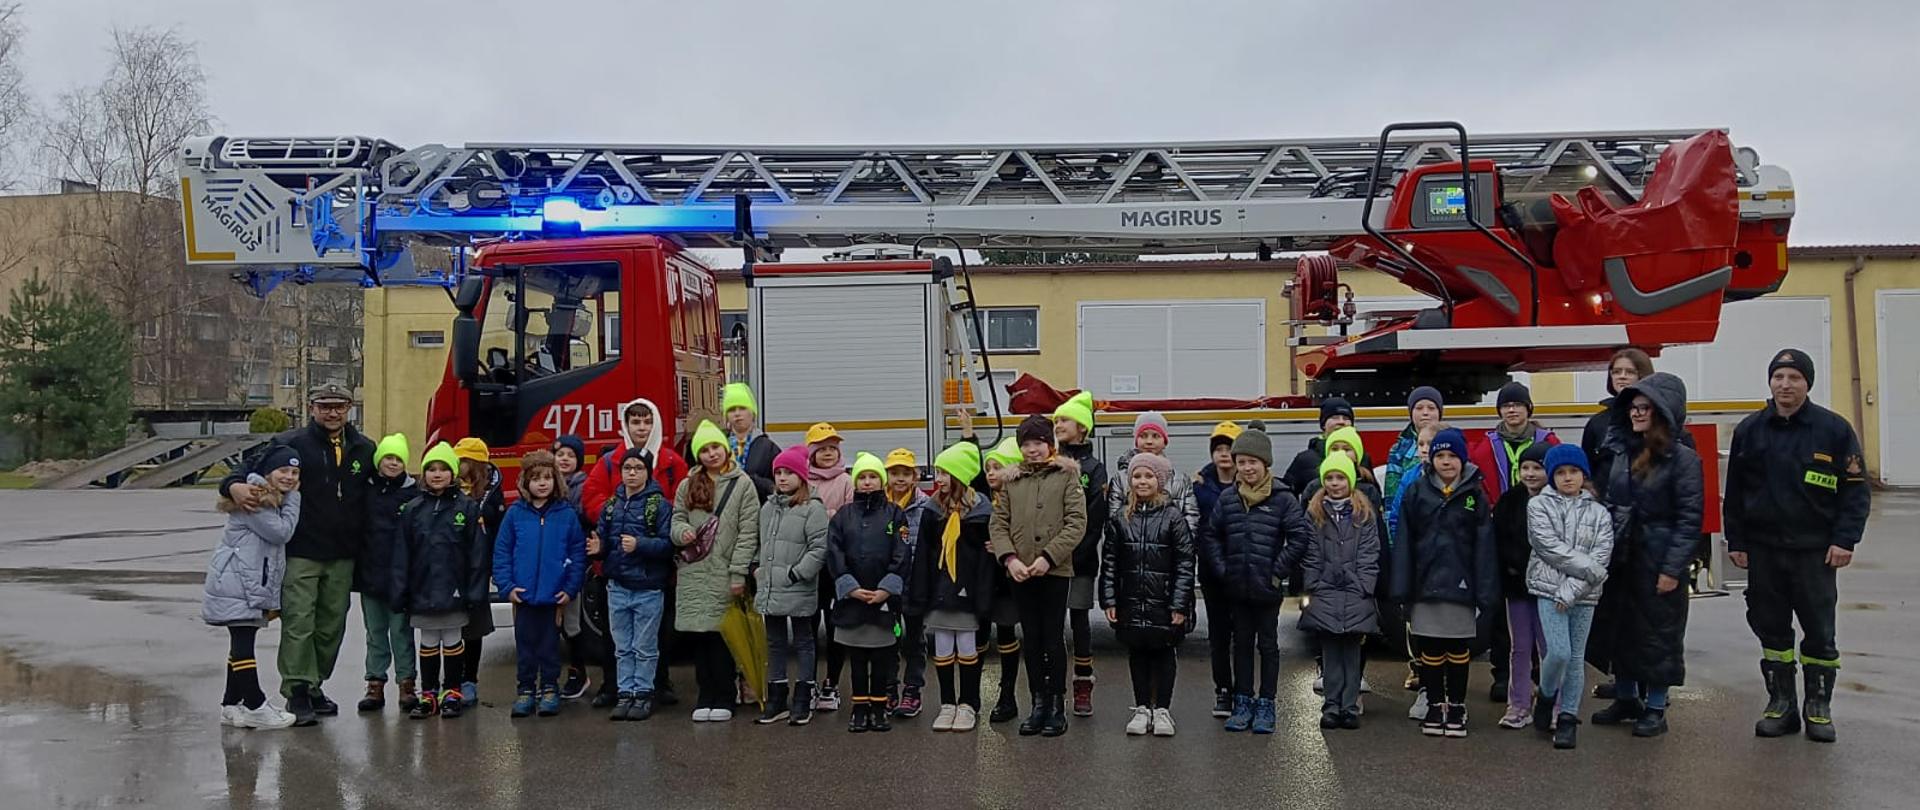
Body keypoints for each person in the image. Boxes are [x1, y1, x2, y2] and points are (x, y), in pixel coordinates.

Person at [1725, 349, 1871, 744]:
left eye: (1794, 378)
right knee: (1771, 630)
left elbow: (1855, 492)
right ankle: (1781, 704)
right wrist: (1735, 541)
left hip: (1814, 551)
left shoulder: (1833, 431)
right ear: (1770, 382)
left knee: (1819, 632)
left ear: (1808, 383)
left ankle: (1818, 707)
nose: (1785, 385)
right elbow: (1734, 493)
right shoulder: (1750, 430)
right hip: (1764, 550)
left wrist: (1845, 539)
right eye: (1779, 377)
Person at [219, 383, 375, 726]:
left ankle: (314, 683)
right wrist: (232, 485)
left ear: (349, 407)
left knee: (331, 625)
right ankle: (297, 690)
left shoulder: (364, 448)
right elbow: (246, 469)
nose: (332, 412)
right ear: (312, 407)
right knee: (300, 622)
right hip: (302, 550)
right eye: (324, 406)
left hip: (344, 552)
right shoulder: (291, 444)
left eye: (339, 406)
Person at [1587, 372, 1702, 738]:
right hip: (1622, 557)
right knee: (1620, 629)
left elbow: (1689, 519)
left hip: (1658, 558)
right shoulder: (1622, 452)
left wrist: (1672, 568)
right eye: (1633, 407)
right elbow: (1610, 501)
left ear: (1663, 412)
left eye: (1644, 408)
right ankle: (1625, 698)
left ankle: (1655, 706)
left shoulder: (1682, 460)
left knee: (1657, 634)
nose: (1636, 414)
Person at [1200, 421, 1315, 735]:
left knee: (1268, 645)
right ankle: (1243, 702)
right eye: (1241, 462)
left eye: (1252, 461)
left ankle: (1267, 704)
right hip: (1236, 587)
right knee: (1241, 645)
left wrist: (1277, 571)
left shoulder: (1282, 498)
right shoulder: (1228, 499)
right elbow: (1211, 535)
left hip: (1267, 588)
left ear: (1265, 463)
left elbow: (1299, 537)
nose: (1246, 468)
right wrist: (1223, 570)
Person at [1391, 427, 1498, 739]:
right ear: (1432, 459)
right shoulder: (1417, 491)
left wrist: (1485, 589)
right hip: (1425, 585)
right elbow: (1404, 542)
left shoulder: (1475, 494)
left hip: (1461, 585)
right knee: (1431, 650)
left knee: (1457, 649)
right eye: (1440, 455)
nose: (1446, 461)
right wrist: (1401, 586)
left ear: (1462, 459)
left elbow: (1484, 545)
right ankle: (1436, 704)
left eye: (1452, 455)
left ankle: (1457, 706)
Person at [990, 415, 1089, 738]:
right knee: (1030, 638)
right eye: (1026, 444)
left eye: (1038, 443)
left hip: (1054, 570)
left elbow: (1076, 523)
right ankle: (1037, 703)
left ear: (1051, 445)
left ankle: (1056, 704)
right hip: (1020, 572)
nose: (1032, 450)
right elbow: (999, 524)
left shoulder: (1066, 477)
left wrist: (1049, 557)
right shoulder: (1011, 482)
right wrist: (1010, 559)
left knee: (1052, 638)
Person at [204, 445, 303, 730]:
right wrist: (295, 497)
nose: (289, 477)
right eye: (283, 471)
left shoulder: (268, 497)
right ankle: (256, 704)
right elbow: (281, 532)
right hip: (239, 583)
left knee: (241, 640)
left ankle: (230, 704)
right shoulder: (256, 498)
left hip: (246, 581)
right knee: (244, 642)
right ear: (267, 472)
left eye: (295, 473)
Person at [671, 420, 762, 722]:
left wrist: (738, 574)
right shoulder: (688, 484)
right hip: (694, 571)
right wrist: (682, 531)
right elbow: (676, 519)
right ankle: (704, 695)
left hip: (724, 571)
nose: (711, 454)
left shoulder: (742, 483)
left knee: (723, 638)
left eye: (715, 447)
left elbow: (748, 532)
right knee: (699, 637)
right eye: (705, 450)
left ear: (725, 449)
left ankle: (724, 696)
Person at [1100, 451, 1196, 738]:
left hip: (1164, 602)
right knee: (1137, 653)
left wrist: (1180, 603)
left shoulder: (1173, 517)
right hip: (1130, 600)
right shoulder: (1120, 518)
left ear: (1161, 481)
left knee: (1164, 652)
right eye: (1137, 476)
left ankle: (1162, 709)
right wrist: (1109, 599)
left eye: (1148, 476)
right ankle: (1142, 707)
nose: (1142, 481)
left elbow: (1185, 562)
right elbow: (1110, 562)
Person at [1526, 444, 1614, 750]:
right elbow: (1548, 547)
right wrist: (1572, 583)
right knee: (1559, 652)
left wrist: (1573, 590)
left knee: (1577, 658)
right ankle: (1546, 694)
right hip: (1549, 592)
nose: (1567, 478)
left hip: (1583, 596)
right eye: (1560, 473)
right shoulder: (1538, 507)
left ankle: (1567, 719)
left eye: (1573, 472)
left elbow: (1601, 555)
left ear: (1583, 474)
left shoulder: (1599, 513)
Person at [394, 442, 488, 720]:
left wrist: (475, 591)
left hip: (455, 589)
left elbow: (477, 555)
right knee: (429, 640)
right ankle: (430, 693)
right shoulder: (412, 509)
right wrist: (400, 591)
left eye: (444, 469)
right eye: (432, 469)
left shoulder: (467, 509)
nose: (437, 474)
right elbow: (402, 554)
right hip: (422, 590)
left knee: (453, 638)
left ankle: (453, 691)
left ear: (454, 473)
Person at [909, 443, 996, 732]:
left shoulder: (982, 510)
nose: (940, 478)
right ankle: (947, 703)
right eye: (938, 472)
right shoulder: (932, 509)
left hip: (969, 591)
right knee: (943, 644)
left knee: (968, 645)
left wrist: (984, 595)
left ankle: (968, 703)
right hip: (940, 590)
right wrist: (920, 594)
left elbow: (988, 556)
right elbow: (923, 553)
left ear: (960, 475)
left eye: (945, 472)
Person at [494, 451, 587, 718]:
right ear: (526, 482)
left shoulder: (566, 515)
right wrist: (507, 586)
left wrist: (570, 589)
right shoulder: (515, 514)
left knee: (549, 648)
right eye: (536, 478)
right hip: (523, 597)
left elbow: (577, 553)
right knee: (525, 647)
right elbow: (502, 552)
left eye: (547, 477)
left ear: (556, 481)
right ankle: (525, 690)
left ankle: (549, 688)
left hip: (553, 596)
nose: (542, 483)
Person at [828, 452, 913, 733]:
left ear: (882, 480)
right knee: (857, 659)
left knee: (881, 658)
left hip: (883, 601)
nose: (867, 482)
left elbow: (902, 552)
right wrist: (849, 587)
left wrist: (886, 589)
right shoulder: (843, 516)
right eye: (862, 477)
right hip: (853, 600)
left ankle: (879, 708)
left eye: (873, 477)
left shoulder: (895, 514)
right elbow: (834, 551)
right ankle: (859, 708)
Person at [1298, 451, 1381, 731]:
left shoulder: (1363, 511)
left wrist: (1363, 584)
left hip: (1355, 591)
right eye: (1329, 478)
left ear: (1350, 480)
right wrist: (1315, 583)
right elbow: (1309, 553)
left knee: (1351, 653)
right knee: (1330, 652)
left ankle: (1349, 705)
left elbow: (1371, 552)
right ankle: (1331, 705)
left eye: (1340, 477)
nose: (1335, 483)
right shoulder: (1315, 512)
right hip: (1326, 590)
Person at [598, 446, 676, 722]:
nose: (632, 473)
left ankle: (643, 693)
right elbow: (604, 542)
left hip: (648, 589)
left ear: (647, 472)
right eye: (627, 468)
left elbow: (669, 545)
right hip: (617, 587)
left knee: (645, 646)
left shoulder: (660, 505)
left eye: (638, 468)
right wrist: (597, 547)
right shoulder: (611, 505)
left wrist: (640, 544)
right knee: (622, 646)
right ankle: (625, 692)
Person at [754, 445, 830, 726]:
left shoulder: (813, 508)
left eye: (789, 472)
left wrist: (798, 574)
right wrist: (756, 568)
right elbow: (760, 542)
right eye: (778, 473)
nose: (783, 478)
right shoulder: (768, 508)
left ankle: (804, 694)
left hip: (797, 586)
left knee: (803, 641)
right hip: (771, 587)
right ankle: (777, 695)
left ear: (802, 476)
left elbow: (819, 548)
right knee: (774, 642)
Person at [1050, 391, 1109, 718]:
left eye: (1064, 420)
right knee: (1052, 623)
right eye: (1056, 421)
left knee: (1079, 620)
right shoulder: (1049, 463)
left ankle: (1083, 683)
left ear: (1082, 428)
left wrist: (1071, 550)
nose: (1058, 425)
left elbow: (1095, 518)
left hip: (1080, 560)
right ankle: (1053, 685)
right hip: (1048, 560)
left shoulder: (1094, 469)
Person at [356, 434, 418, 714]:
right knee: (375, 632)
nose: (393, 463)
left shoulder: (413, 493)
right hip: (370, 573)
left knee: (401, 632)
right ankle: (375, 683)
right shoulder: (366, 490)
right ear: (379, 461)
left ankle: (406, 683)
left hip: (400, 576)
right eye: (388, 458)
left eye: (398, 459)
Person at [1492, 443, 1550, 729]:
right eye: (1525, 468)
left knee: (1550, 648)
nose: (1530, 473)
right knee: (1520, 647)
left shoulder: (1557, 501)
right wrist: (1511, 568)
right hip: (1517, 586)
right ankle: (1518, 704)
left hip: (1550, 589)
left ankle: (1554, 704)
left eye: (1537, 468)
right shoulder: (1509, 501)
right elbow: (1499, 541)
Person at [553, 434, 613, 707]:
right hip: (551, 563)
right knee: (554, 624)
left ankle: (579, 673)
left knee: (572, 622)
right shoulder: (545, 484)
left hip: (573, 561)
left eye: (570, 455)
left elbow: (586, 519)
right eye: (559, 454)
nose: (564, 459)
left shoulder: (581, 486)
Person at [1190, 420, 1243, 718]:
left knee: (1245, 634)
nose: (1224, 454)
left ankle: (1244, 691)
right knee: (1219, 634)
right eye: (1219, 449)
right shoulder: (1200, 485)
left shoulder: (1249, 482)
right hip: (1211, 570)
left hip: (1243, 568)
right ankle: (1223, 690)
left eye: (1229, 448)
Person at [804, 423, 854, 711]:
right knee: (808, 626)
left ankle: (832, 684)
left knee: (835, 626)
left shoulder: (845, 481)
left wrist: (827, 517)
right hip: (811, 565)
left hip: (836, 565)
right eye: (821, 449)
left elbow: (848, 521)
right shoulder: (804, 481)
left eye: (831, 449)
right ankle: (808, 683)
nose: (827, 454)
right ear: (811, 453)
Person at [452, 438, 505, 707]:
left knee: (473, 625)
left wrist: (497, 566)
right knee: (449, 626)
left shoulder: (492, 493)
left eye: (462, 460)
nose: (458, 465)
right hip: (450, 568)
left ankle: (469, 679)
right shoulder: (450, 488)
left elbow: (498, 532)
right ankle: (450, 680)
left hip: (479, 569)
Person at [884, 448, 936, 719]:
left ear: (915, 476)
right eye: (895, 473)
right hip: (887, 587)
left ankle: (912, 689)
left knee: (915, 639)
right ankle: (889, 687)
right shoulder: (879, 504)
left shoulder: (926, 506)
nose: (900, 479)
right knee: (888, 638)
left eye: (906, 473)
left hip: (916, 584)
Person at [981, 437, 1028, 724]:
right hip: (984, 579)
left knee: (1007, 634)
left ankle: (1007, 694)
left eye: (997, 467)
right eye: (988, 467)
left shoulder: (1020, 499)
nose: (990, 473)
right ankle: (970, 699)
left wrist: (1006, 545)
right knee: (979, 636)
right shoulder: (981, 499)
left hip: (1010, 580)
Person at [1583, 349, 1655, 461]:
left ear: (1644, 375)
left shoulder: (1659, 417)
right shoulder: (1597, 423)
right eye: (1616, 372)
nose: (1622, 376)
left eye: (1630, 372)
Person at [1283, 397, 1359, 497]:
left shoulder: (1362, 458)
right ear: (1323, 424)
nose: (1341, 422)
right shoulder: (1305, 460)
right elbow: (1287, 496)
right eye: (1335, 417)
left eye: (1346, 418)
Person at [721, 383, 780, 502]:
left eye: (742, 408)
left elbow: (779, 485)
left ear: (753, 413)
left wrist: (751, 479)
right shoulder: (719, 446)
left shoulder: (768, 447)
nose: (737, 414)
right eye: (732, 410)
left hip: (758, 510)